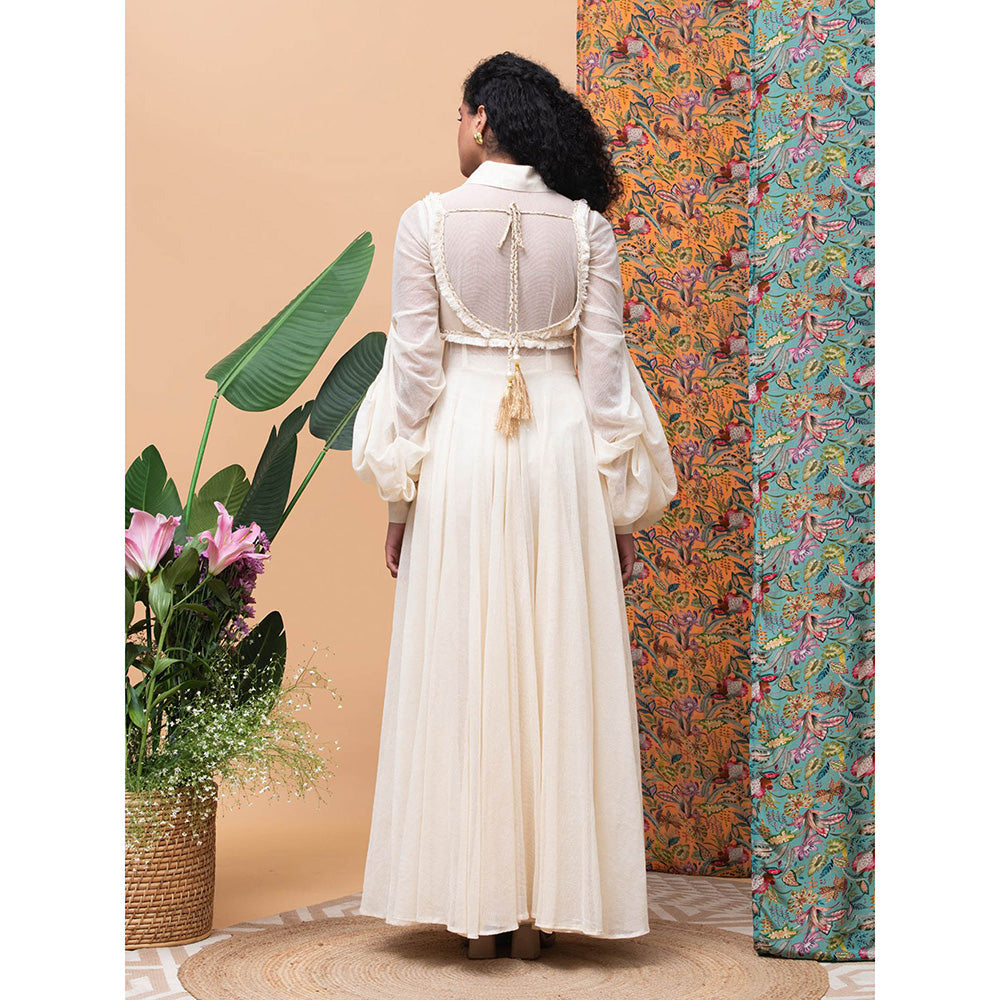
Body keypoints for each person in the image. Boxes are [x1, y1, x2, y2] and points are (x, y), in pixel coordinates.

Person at [351, 52, 678, 961]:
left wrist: (398, 501)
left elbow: (414, 374)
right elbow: (606, 381)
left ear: (483, 117)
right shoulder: (586, 229)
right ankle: (541, 914)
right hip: (560, 450)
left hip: (462, 444)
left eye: (458, 116)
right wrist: (619, 511)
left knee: (466, 653)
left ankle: (478, 913)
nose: (454, 132)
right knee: (556, 657)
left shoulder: (426, 222)